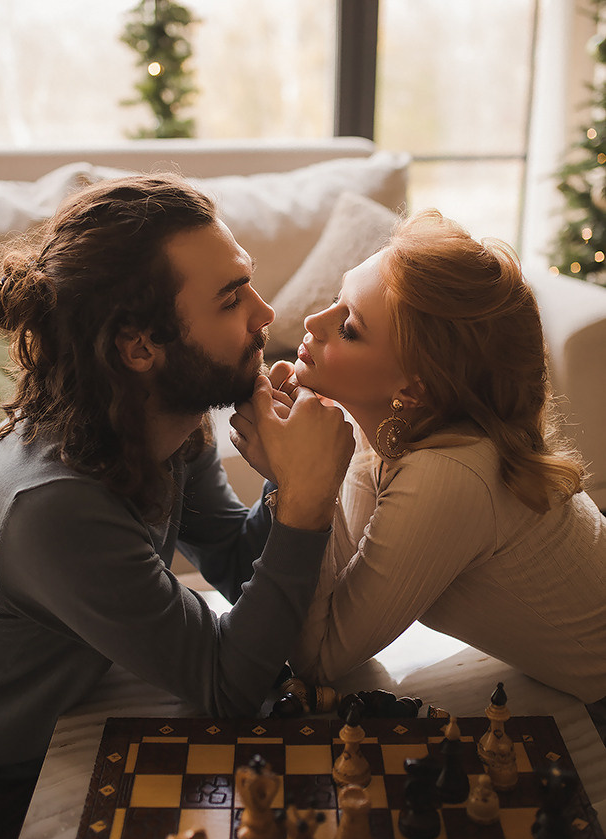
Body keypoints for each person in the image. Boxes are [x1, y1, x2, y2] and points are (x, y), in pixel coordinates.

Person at [0, 174, 354, 839]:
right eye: (231, 298)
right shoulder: (52, 506)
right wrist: (307, 503)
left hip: (62, 722)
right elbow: (227, 686)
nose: (266, 314)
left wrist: (288, 480)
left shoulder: (161, 422)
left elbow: (234, 559)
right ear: (139, 347)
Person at [231, 208, 606, 704]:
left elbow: (318, 661)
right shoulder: (381, 436)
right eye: (337, 299)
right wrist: (306, 464)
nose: (313, 321)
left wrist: (297, 477)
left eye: (349, 328)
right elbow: (333, 591)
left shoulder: (450, 475)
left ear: (412, 389)